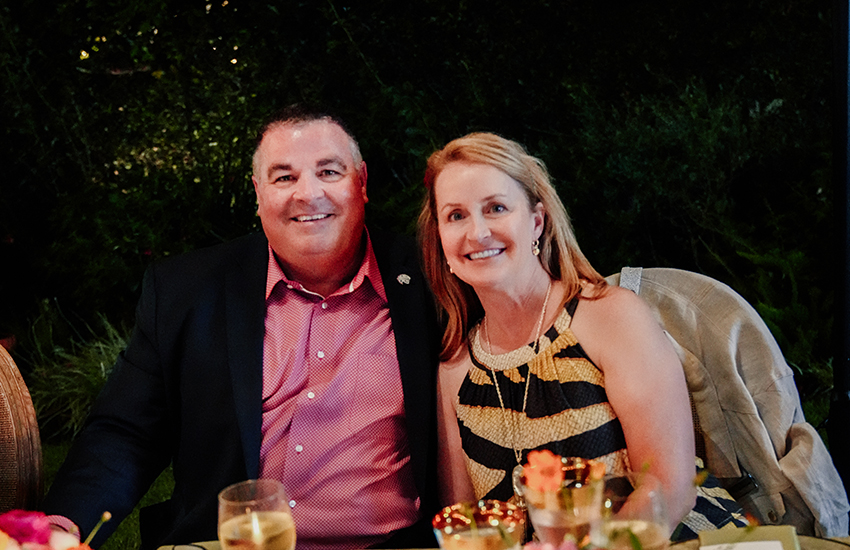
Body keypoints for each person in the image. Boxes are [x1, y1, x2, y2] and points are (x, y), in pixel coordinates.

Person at [42, 105, 441, 550]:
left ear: (361, 183)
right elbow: (126, 432)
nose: (308, 193)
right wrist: (63, 525)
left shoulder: (433, 281)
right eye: (284, 177)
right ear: (258, 193)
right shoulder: (186, 292)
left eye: (329, 172)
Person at [417, 132, 746, 540]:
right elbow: (468, 522)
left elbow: (669, 487)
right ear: (442, 243)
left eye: (496, 208)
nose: (478, 232)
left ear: (536, 222)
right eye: (456, 216)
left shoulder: (609, 317)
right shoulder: (454, 368)